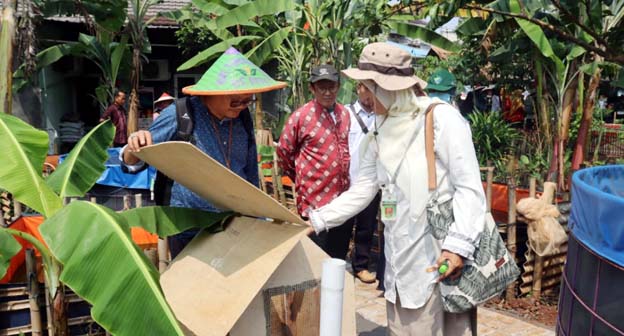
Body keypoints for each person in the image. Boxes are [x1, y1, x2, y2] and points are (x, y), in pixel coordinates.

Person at [308, 42, 485, 335]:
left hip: (441, 256)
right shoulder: (380, 129)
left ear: (389, 88)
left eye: (367, 87)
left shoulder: (440, 119)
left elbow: (469, 188)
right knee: (403, 325)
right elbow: (364, 189)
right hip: (401, 255)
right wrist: (317, 220)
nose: (362, 94)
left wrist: (458, 247)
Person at [121, 47, 286, 258]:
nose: (242, 107)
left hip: (232, 223)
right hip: (188, 228)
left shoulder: (242, 118)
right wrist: (133, 145)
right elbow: (132, 163)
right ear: (211, 94)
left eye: (248, 101)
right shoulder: (180, 114)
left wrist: (258, 215)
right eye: (236, 101)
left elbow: (250, 175)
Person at [277, 64, 353, 260]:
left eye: (332, 87)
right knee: (316, 256)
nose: (327, 92)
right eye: (322, 88)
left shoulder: (345, 114)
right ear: (312, 88)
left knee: (337, 256)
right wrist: (300, 177)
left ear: (339, 86)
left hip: (342, 199)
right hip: (315, 200)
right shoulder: (301, 117)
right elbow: (284, 151)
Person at [345, 82, 381, 284]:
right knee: (342, 225)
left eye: (374, 91)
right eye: (367, 90)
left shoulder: (382, 116)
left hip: (371, 181)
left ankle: (361, 265)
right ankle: (337, 260)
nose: (370, 97)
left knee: (366, 227)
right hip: (348, 180)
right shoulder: (346, 114)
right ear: (358, 88)